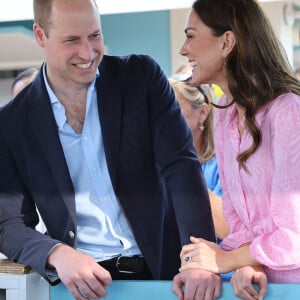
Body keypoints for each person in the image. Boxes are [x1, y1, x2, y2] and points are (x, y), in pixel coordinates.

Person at [0, 1, 221, 300]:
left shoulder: (141, 77)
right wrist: (56, 253)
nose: (88, 53)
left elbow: (181, 166)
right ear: (41, 36)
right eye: (71, 41)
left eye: (94, 36)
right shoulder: (11, 123)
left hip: (168, 275)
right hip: (83, 286)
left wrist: (201, 258)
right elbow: (10, 224)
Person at [173, 0, 300, 299]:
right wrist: (199, 268)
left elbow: (293, 236)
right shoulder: (226, 118)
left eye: (191, 35)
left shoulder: (288, 112)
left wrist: (225, 261)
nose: (183, 49)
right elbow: (240, 227)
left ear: (227, 42)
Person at [169, 74, 228, 240]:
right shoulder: (157, 163)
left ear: (202, 113)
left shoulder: (223, 164)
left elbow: (226, 228)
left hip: (216, 260)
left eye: (172, 111)